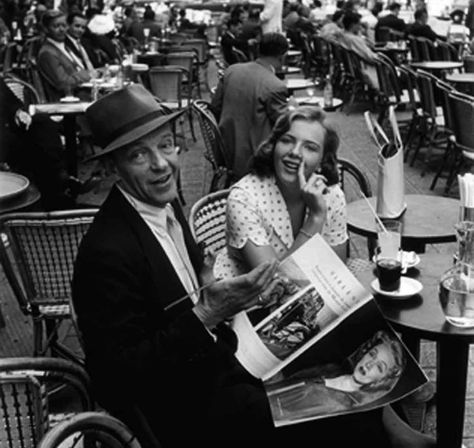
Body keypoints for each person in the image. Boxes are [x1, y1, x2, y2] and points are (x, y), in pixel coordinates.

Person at [72, 84, 401, 448]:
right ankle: (385, 429)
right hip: (187, 406)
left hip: (220, 356)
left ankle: (388, 420)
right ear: (110, 166)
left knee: (345, 356)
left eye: (166, 145)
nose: (161, 164)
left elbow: (185, 291)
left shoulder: (162, 206)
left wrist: (208, 284)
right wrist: (206, 314)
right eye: (138, 155)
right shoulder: (107, 250)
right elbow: (114, 379)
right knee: (338, 419)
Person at [214, 106, 348, 283]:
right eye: (287, 140)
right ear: (273, 146)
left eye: (310, 147)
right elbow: (274, 283)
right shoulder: (244, 199)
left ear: (322, 160)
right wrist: (315, 218)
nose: (294, 152)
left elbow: (336, 268)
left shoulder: (331, 194)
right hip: (248, 301)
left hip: (309, 294)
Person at [266, 330, 406, 422]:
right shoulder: (334, 369)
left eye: (379, 367)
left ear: (381, 381)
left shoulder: (342, 405)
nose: (369, 364)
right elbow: (293, 381)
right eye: (371, 354)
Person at [0, 77, 95, 209]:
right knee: (33, 150)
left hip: (8, 130)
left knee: (42, 123)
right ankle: (58, 188)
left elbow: (11, 102)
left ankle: (60, 179)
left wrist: (18, 112)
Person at [211, 32, 289, 180]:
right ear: (282, 57)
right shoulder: (274, 85)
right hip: (256, 157)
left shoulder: (232, 70)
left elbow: (215, 106)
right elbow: (286, 125)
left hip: (224, 149)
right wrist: (293, 108)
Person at [37, 9, 91, 101]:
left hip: (81, 95)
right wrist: (87, 75)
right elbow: (63, 83)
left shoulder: (64, 46)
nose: (62, 30)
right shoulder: (47, 53)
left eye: (64, 25)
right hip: (68, 101)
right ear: (46, 29)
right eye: (56, 26)